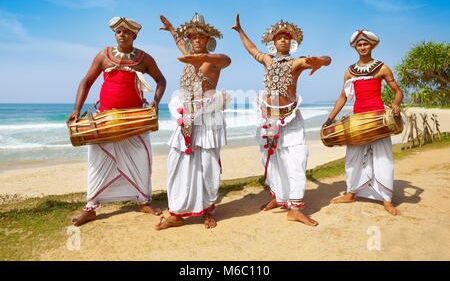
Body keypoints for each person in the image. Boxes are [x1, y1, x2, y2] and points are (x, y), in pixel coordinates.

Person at [232, 14, 331, 226]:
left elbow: (326, 59)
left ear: (292, 42)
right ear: (272, 42)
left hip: (289, 118)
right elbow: (251, 50)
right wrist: (240, 31)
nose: (283, 40)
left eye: (287, 37)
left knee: (296, 160)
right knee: (272, 161)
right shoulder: (267, 60)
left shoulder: (297, 62)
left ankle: (295, 208)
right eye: (279, 37)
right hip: (268, 118)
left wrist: (319, 61)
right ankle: (278, 198)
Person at [68, 17, 167, 226]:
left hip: (135, 119)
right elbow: (86, 82)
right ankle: (91, 207)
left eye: (126, 32)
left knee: (142, 160)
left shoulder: (144, 58)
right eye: (118, 32)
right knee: (97, 163)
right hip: (105, 119)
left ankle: (143, 201)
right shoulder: (103, 55)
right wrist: (77, 110)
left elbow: (161, 80)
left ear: (134, 36)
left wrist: (156, 102)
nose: (122, 35)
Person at [155, 13, 231, 230]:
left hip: (207, 119)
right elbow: (181, 43)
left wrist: (205, 59)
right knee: (178, 163)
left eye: (201, 37)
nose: (196, 40)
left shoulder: (215, 61)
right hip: (185, 117)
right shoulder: (188, 57)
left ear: (208, 39)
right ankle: (177, 213)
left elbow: (226, 59)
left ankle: (207, 210)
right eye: (193, 37)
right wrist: (171, 29)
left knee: (207, 165)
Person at [324, 29, 403, 215]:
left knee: (383, 158)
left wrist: (396, 104)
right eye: (359, 44)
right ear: (355, 47)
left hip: (378, 119)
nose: (362, 47)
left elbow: (398, 92)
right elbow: (342, 98)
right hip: (357, 120)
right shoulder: (349, 71)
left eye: (365, 44)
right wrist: (329, 119)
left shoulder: (382, 68)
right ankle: (351, 193)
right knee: (353, 158)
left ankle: (386, 199)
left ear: (372, 45)